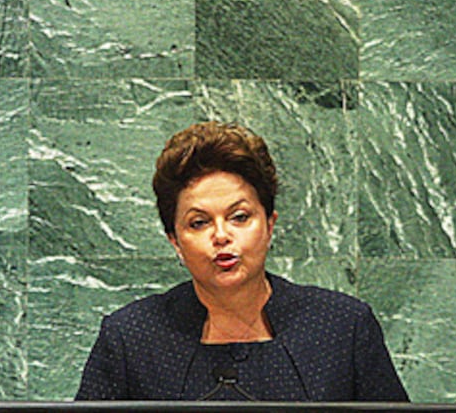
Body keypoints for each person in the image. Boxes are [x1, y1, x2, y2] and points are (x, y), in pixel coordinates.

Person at [76, 121, 408, 402]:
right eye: (199, 222)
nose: (221, 235)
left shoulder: (342, 327)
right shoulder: (130, 337)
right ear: (175, 241)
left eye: (239, 217)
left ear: (269, 225)